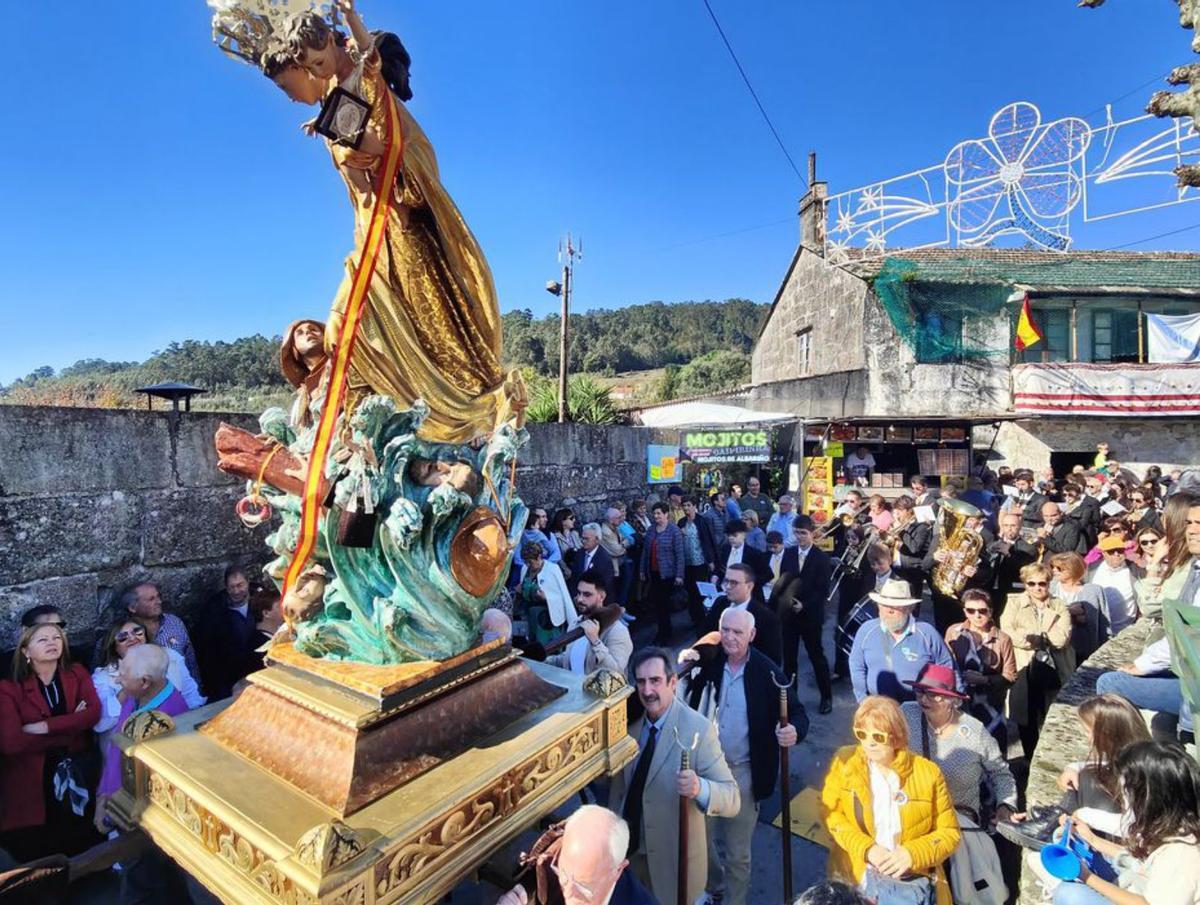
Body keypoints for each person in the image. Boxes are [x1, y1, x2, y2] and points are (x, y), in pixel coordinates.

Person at [682, 609, 807, 905]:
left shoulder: (767, 672)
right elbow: (685, 693)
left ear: (751, 635)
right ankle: (715, 887)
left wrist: (794, 732)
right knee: (699, 842)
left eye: (738, 632)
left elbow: (798, 714)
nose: (730, 637)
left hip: (744, 774)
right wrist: (688, 659)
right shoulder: (710, 663)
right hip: (706, 770)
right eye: (726, 630)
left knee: (738, 855)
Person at [609, 648, 740, 905]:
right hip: (628, 858)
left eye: (655, 681)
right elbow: (617, 788)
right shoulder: (628, 722)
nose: (647, 691)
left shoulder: (698, 730)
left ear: (673, 682)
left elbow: (732, 798)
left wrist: (699, 788)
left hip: (672, 867)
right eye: (642, 682)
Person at [820, 695, 961, 905]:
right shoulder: (845, 761)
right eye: (861, 734)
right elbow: (831, 814)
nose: (868, 743)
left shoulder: (928, 774)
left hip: (907, 886)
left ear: (895, 737)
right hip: (856, 878)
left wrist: (912, 854)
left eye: (877, 736)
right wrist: (867, 849)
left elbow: (950, 834)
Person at [901, 664, 1015, 905]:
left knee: (960, 892)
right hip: (913, 824)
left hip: (957, 831)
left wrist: (1006, 805)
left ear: (954, 700)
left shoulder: (974, 732)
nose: (924, 698)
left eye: (933, 694)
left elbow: (1001, 773)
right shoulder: (906, 714)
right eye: (920, 691)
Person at [1046, 742, 1200, 905]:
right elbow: (1140, 863)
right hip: (1139, 883)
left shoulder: (1182, 854)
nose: (1123, 797)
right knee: (1057, 852)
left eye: (1126, 790)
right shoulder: (1172, 825)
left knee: (1069, 894)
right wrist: (1091, 839)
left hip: (1143, 898)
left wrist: (1085, 876)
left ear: (1148, 798)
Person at [0, 623, 100, 861]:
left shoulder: (77, 673)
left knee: (79, 831)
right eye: (42, 640)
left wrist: (45, 726)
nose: (52, 642)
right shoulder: (8, 689)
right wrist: (71, 726)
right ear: (26, 651)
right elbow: (12, 742)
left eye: (57, 637)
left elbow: (93, 713)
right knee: (41, 842)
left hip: (75, 767)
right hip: (33, 775)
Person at [494, 804, 655, 905]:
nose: (567, 891)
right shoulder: (548, 868)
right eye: (562, 872)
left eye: (582, 886)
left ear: (618, 871)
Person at [1001, 562, 1075, 758]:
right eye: (1031, 583)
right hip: (1024, 664)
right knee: (1025, 714)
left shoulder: (1058, 604)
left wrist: (1035, 637)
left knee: (1051, 714)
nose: (1037, 588)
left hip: (1054, 667)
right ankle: (1029, 758)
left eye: (1042, 583)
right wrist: (1040, 637)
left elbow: (1061, 639)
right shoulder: (1014, 603)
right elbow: (1007, 631)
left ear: (1049, 583)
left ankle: (1050, 757)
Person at [91, 618, 204, 743]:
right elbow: (100, 723)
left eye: (137, 631)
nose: (132, 638)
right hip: (125, 744)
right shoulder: (102, 676)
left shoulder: (170, 657)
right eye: (123, 637)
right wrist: (127, 685)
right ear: (115, 648)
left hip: (179, 733)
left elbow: (192, 697)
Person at [849, 579, 959, 704]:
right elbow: (856, 664)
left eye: (895, 606)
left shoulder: (927, 633)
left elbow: (947, 667)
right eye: (884, 605)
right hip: (878, 709)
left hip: (918, 708)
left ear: (909, 608)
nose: (888, 610)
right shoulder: (866, 630)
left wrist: (954, 703)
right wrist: (863, 699)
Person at [943, 589, 1016, 752]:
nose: (977, 615)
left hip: (991, 702)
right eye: (970, 610)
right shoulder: (953, 632)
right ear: (964, 611)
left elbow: (1011, 676)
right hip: (961, 700)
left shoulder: (1003, 639)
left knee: (993, 750)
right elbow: (945, 665)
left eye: (982, 611)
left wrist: (984, 680)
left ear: (990, 612)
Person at [775, 516, 835, 714]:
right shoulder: (789, 553)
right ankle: (791, 701)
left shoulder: (821, 558)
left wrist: (805, 605)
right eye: (797, 532)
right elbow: (784, 580)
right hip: (790, 615)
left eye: (803, 533)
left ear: (812, 534)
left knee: (816, 655)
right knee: (789, 659)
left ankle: (826, 696)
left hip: (810, 614)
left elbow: (823, 590)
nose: (799, 537)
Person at [547, 570, 632, 675]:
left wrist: (595, 642)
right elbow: (571, 659)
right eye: (579, 593)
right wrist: (543, 660)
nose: (580, 599)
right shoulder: (575, 623)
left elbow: (616, 673)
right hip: (573, 689)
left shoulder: (617, 631)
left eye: (587, 595)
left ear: (601, 597)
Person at [196, 565, 260, 700]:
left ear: (248, 582)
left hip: (259, 667)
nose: (236, 591)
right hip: (229, 675)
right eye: (231, 587)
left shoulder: (261, 599)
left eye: (240, 585)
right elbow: (207, 648)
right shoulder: (214, 609)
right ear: (226, 587)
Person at [699, 563, 782, 665]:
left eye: (734, 583)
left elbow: (772, 661)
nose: (728, 587)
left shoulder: (767, 618)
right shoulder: (720, 603)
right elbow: (704, 635)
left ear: (749, 586)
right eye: (726, 581)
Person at [119, 582, 200, 685]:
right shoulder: (122, 636)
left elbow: (190, 658)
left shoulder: (173, 622)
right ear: (132, 608)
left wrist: (197, 689)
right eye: (151, 599)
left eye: (158, 596)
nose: (159, 601)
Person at [640, 502, 686, 645]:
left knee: (664, 604)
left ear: (666, 514)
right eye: (654, 514)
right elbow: (645, 552)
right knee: (657, 604)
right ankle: (662, 630)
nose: (656, 516)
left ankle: (665, 633)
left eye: (659, 513)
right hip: (653, 572)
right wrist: (642, 570)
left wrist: (679, 575)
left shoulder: (674, 531)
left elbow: (679, 554)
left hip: (668, 573)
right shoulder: (651, 530)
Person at [1049, 551, 1107, 662]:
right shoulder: (1050, 587)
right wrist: (1069, 611)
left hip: (1085, 649)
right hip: (1056, 649)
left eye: (1059, 568)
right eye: (1053, 567)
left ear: (1073, 568)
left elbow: (1103, 622)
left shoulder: (1093, 590)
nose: (1054, 570)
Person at [517, 542, 576, 642]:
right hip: (530, 618)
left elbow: (563, 597)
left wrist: (546, 598)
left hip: (549, 620)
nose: (527, 565)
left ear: (539, 557)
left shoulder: (553, 569)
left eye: (530, 562)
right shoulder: (524, 569)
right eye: (525, 562)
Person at [986, 511, 1039, 616]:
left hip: (1013, 590)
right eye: (1006, 525)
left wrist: (1009, 553)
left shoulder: (1028, 547)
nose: (1009, 529)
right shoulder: (993, 545)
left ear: (1019, 527)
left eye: (1013, 526)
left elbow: (1025, 569)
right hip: (992, 589)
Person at [1090, 535, 1142, 638]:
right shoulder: (1092, 570)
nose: (1116, 554)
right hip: (1100, 632)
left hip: (1126, 631)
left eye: (1120, 551)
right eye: (1111, 552)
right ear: (1104, 553)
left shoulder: (1135, 570)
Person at [678, 498, 718, 629]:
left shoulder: (701, 521)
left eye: (688, 505)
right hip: (687, 562)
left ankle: (703, 617)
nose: (686, 508)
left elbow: (708, 540)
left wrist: (711, 560)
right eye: (684, 505)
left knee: (700, 589)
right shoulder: (682, 522)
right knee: (690, 590)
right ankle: (694, 617)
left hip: (700, 561)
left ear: (694, 506)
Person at [891, 496, 933, 600]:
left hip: (912, 570)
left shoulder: (922, 526)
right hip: (899, 566)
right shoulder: (903, 523)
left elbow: (915, 548)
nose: (897, 514)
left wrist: (901, 532)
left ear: (909, 510)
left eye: (900, 511)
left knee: (911, 601)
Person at [715, 520, 771, 592]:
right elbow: (720, 567)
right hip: (725, 590)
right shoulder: (725, 549)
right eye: (729, 535)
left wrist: (747, 581)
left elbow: (768, 575)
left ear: (744, 535)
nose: (731, 538)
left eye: (735, 535)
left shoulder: (754, 554)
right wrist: (715, 576)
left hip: (747, 593)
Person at [600, 507, 634, 608]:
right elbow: (617, 550)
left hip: (620, 563)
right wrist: (625, 544)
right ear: (611, 519)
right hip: (613, 566)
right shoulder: (605, 532)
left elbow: (626, 540)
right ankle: (617, 613)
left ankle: (622, 610)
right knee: (615, 592)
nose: (621, 519)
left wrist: (623, 544)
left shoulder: (615, 528)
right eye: (619, 517)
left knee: (624, 588)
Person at [572, 523, 615, 598]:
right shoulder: (579, 554)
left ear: (597, 540)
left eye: (587, 539)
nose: (583, 541)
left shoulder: (605, 559)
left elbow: (605, 585)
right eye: (582, 538)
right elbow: (574, 577)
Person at [1063, 481, 1102, 548]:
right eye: (1064, 495)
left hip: (1082, 542)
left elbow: (1082, 525)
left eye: (1070, 495)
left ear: (1078, 495)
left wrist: (1066, 516)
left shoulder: (1086, 508)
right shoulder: (1064, 507)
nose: (1067, 497)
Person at [551, 509, 583, 577]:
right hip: (566, 574)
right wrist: (567, 572)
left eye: (574, 518)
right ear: (562, 521)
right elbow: (559, 558)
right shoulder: (555, 537)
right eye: (571, 518)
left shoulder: (575, 534)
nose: (574, 520)